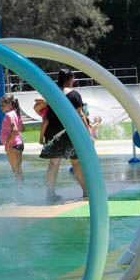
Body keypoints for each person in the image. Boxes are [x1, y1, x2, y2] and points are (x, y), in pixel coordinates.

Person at [39, 69, 89, 204]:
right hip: (70, 131)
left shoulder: (52, 93)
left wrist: (41, 135)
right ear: (70, 80)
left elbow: (42, 110)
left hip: (52, 131)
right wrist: (88, 133)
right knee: (76, 161)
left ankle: (49, 194)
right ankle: (85, 191)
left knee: (54, 163)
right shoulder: (74, 95)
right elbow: (81, 115)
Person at [0, 94, 25, 185]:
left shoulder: (9, 115)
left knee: (16, 170)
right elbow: (22, 129)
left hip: (13, 145)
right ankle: (21, 188)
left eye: (3, 105)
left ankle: (19, 190)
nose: (1, 107)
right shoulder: (15, 113)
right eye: (0, 105)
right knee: (18, 169)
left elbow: (14, 130)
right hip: (19, 144)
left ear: (10, 104)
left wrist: (7, 144)